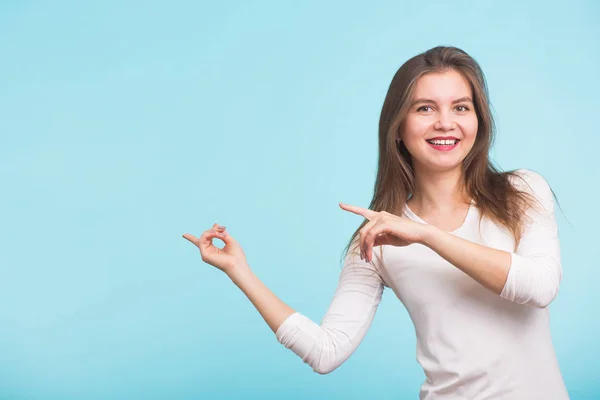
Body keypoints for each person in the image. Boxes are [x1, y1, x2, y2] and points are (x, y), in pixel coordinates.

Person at [182, 46, 569, 399]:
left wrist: (427, 235)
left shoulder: (521, 191)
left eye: (461, 107)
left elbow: (539, 286)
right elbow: (325, 351)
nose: (445, 123)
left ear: (479, 121)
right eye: (425, 108)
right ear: (398, 128)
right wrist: (239, 271)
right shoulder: (377, 238)